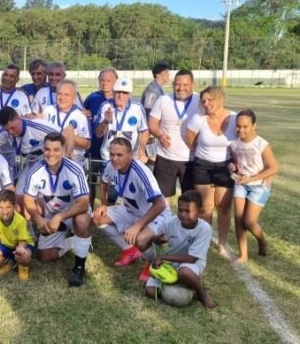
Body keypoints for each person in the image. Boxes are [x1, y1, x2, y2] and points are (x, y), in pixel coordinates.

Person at [92, 138, 171, 282]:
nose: (114, 159)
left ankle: (152, 263)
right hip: (130, 209)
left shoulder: (140, 172)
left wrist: (137, 226)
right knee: (97, 217)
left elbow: (159, 204)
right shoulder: (111, 166)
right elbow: (104, 181)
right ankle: (130, 250)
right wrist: (103, 204)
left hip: (156, 214)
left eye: (119, 155)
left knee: (140, 240)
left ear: (130, 154)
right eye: (111, 154)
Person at [23, 132, 93, 287]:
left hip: (73, 214)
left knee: (82, 221)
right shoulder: (35, 170)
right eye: (47, 149)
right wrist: (37, 217)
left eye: (56, 150)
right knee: (45, 256)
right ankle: (75, 242)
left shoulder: (75, 170)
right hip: (52, 216)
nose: (51, 154)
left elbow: (83, 202)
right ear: (43, 149)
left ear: (63, 150)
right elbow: (28, 199)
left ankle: (79, 267)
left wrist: (61, 216)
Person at [185, 85, 236, 258]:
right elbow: (189, 136)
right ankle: (204, 242)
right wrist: (197, 151)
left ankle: (222, 244)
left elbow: (244, 141)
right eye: (203, 101)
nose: (206, 104)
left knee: (223, 207)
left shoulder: (235, 118)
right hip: (203, 165)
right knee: (206, 207)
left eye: (210, 100)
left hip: (225, 166)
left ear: (220, 99)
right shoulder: (199, 118)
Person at [144, 190, 215, 308]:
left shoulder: (204, 229)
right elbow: (156, 238)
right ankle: (177, 282)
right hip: (170, 262)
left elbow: (192, 258)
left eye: (188, 211)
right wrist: (157, 239)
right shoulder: (170, 222)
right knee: (150, 292)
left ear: (200, 211)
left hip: (192, 264)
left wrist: (162, 257)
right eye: (180, 210)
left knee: (185, 272)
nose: (182, 214)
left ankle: (201, 293)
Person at [229, 109, 279, 263]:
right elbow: (237, 163)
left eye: (245, 126)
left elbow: (274, 168)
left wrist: (253, 178)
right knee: (238, 219)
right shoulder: (234, 144)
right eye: (238, 126)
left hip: (259, 185)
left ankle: (262, 241)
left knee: (249, 221)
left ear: (253, 126)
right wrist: (232, 166)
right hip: (240, 184)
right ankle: (243, 255)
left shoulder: (261, 144)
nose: (241, 130)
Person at [148, 70, 200, 203]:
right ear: (173, 84)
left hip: (191, 160)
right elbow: (152, 123)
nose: (181, 88)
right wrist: (160, 135)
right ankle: (164, 224)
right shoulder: (164, 100)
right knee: (162, 201)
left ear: (193, 84)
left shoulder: (200, 101)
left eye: (185, 84)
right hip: (165, 158)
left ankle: (186, 224)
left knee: (190, 201)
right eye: (177, 84)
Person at [0, 106, 57, 194]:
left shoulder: (37, 126)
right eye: (7, 129)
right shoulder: (5, 134)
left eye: (12, 127)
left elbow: (63, 134)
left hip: (47, 165)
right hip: (29, 165)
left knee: (42, 197)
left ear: (19, 118)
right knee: (18, 194)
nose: (11, 132)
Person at [94, 76, 149, 163]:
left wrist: (141, 149)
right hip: (109, 157)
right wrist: (105, 122)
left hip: (131, 157)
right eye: (118, 92)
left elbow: (144, 131)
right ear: (113, 92)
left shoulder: (137, 108)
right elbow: (98, 134)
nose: (120, 95)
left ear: (130, 94)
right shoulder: (105, 106)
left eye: (125, 93)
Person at [85, 67, 116, 203]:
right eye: (102, 80)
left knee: (109, 183)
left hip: (110, 150)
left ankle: (107, 212)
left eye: (109, 80)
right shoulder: (93, 97)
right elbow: (83, 113)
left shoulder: (119, 99)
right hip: (93, 147)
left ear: (115, 81)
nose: (105, 83)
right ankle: (89, 209)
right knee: (90, 182)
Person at [41, 79, 90, 165]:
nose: (62, 98)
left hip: (72, 162)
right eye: (59, 94)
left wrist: (70, 136)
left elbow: (87, 144)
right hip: (50, 160)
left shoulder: (80, 116)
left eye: (66, 95)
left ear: (74, 97)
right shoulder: (48, 110)